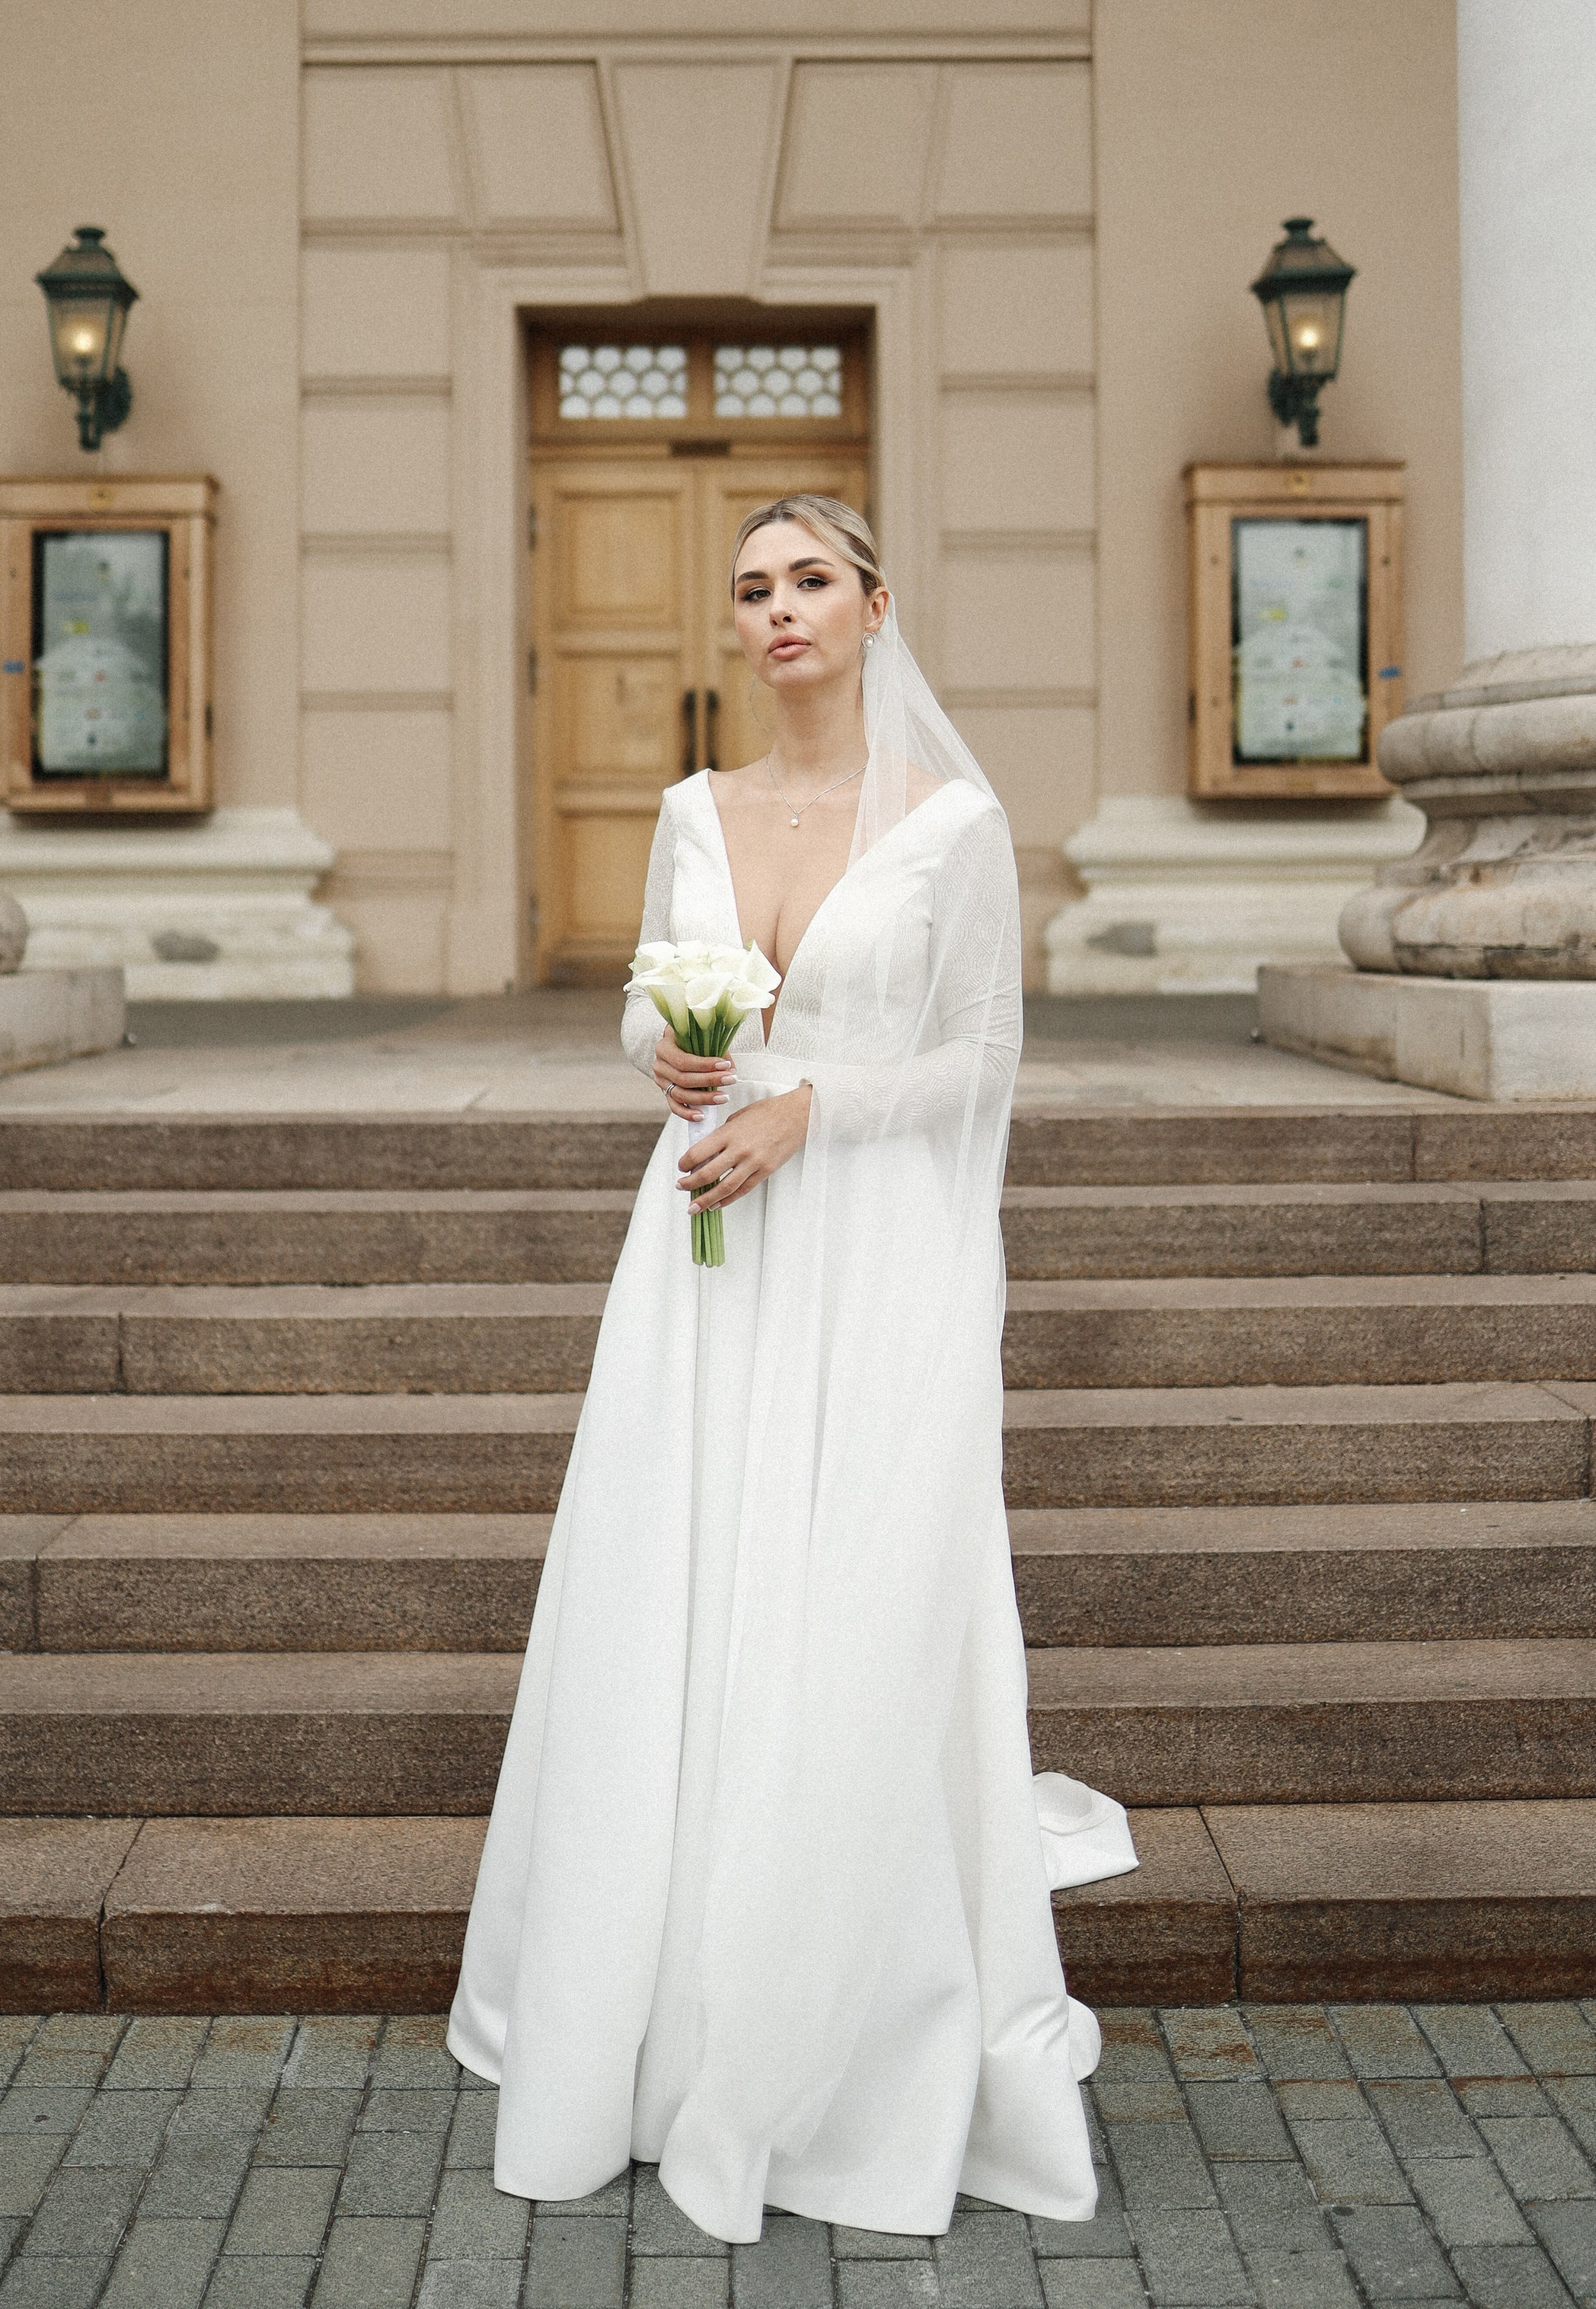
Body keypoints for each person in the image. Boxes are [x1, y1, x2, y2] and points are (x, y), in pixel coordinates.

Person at [448, 494, 1134, 2243]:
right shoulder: (694, 806)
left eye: (807, 579)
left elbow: (983, 1050)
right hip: (705, 1246)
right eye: (748, 588)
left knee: (852, 1593)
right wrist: (673, 1060)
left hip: (874, 1241)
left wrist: (810, 1108)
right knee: (685, 1582)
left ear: (873, 606)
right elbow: (648, 997)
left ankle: (836, 2034)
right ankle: (648, 2019)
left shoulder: (949, 820)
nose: (775, 611)